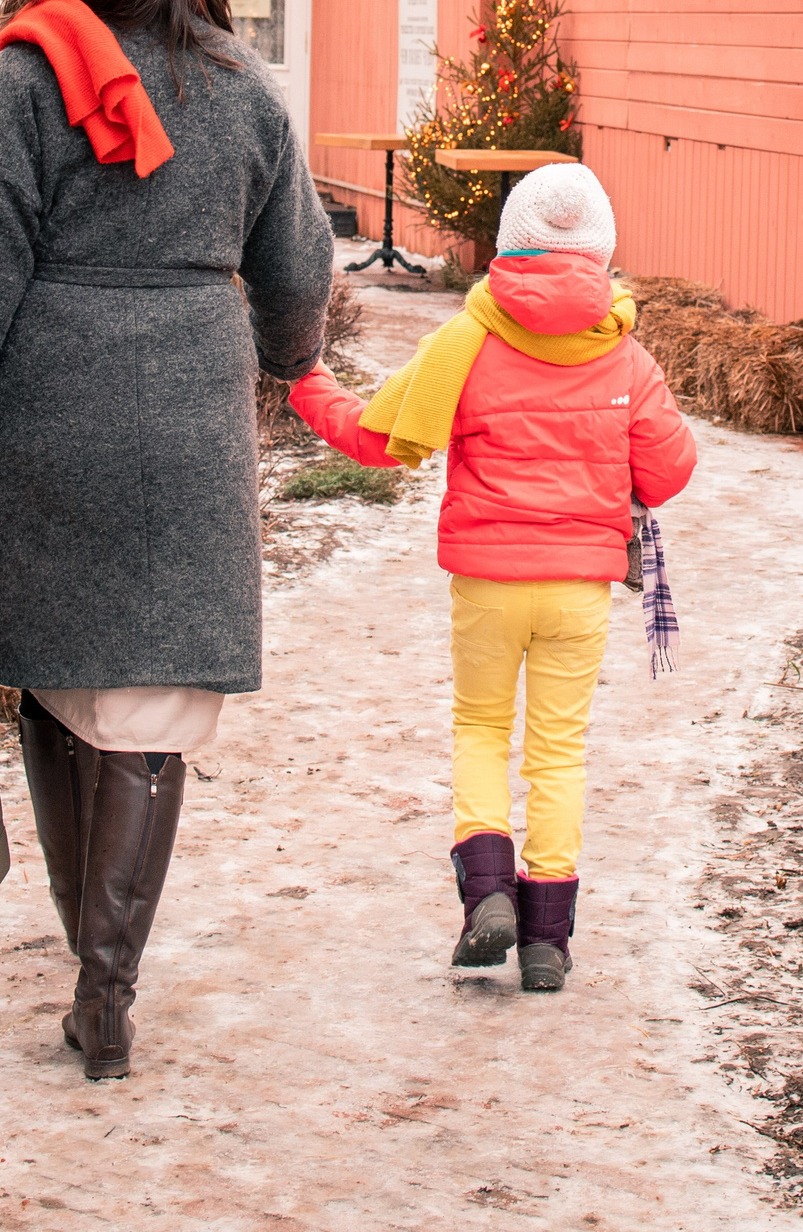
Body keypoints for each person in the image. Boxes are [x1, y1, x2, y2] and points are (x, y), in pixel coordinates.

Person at [0, 0, 334, 1080]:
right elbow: (297, 271)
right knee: (146, 707)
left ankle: (85, 959)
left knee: (52, 673)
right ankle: (108, 988)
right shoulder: (243, 88)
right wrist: (290, 360)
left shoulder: (31, 76)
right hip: (188, 414)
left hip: (45, 406)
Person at [288, 164, 696, 992]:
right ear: (600, 255)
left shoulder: (465, 342)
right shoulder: (625, 353)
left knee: (481, 730)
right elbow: (670, 470)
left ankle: (487, 900)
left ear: (511, 247)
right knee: (558, 753)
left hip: (487, 581)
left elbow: (378, 436)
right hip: (578, 588)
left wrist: (306, 383)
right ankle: (547, 939)